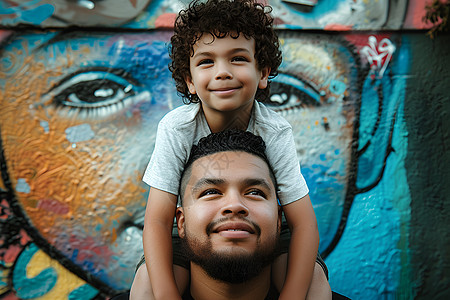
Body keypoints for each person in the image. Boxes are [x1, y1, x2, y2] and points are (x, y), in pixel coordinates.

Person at [133, 0, 323, 299]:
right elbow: (158, 220)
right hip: (193, 233)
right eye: (207, 62)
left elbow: (303, 224)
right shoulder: (177, 128)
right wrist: (167, 294)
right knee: (146, 288)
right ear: (189, 80)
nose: (222, 72)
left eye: (237, 59)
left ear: (263, 73)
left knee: (316, 286)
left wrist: (293, 295)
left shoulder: (274, 131)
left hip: (267, 231)